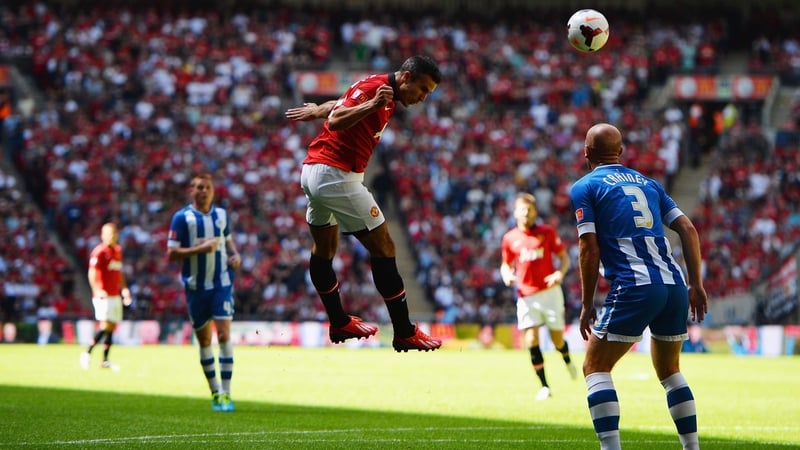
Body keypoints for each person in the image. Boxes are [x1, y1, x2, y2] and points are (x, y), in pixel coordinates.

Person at [285, 54, 442, 352]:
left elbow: (339, 105)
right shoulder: (376, 91)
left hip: (315, 171)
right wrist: (370, 106)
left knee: (324, 249)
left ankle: (339, 321)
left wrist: (318, 109)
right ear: (406, 77)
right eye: (423, 89)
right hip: (336, 175)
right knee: (385, 248)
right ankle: (404, 331)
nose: (423, 98)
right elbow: (336, 120)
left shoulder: (381, 91)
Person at [570, 123, 708, 450]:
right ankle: (692, 446)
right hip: (673, 283)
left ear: (586, 153)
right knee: (670, 371)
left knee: (595, 366)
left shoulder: (585, 187)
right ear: (620, 152)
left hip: (635, 285)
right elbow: (688, 229)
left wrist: (587, 303)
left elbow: (588, 247)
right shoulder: (650, 184)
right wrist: (696, 283)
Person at [167, 173, 241, 412]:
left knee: (224, 335)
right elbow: (172, 253)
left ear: (213, 190)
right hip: (196, 288)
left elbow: (229, 242)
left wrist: (235, 256)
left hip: (221, 284)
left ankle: (227, 393)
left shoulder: (222, 215)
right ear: (192, 190)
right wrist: (199, 249)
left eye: (207, 187)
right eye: (199, 187)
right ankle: (215, 392)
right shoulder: (182, 218)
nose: (203, 191)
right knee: (205, 340)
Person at [500, 193, 577, 401]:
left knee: (557, 340)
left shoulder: (547, 232)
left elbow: (563, 258)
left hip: (550, 293)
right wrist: (506, 275)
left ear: (535, 212)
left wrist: (559, 273)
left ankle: (567, 359)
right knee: (531, 339)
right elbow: (506, 264)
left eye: (529, 209)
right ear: (515, 212)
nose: (526, 213)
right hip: (526, 296)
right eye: (522, 209)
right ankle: (544, 386)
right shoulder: (509, 238)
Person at [80, 223, 132, 371]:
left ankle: (105, 360)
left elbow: (118, 272)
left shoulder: (118, 251)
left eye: (114, 233)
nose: (112, 236)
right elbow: (92, 272)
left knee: (112, 326)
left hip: (115, 294)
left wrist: (124, 289)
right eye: (109, 234)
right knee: (106, 325)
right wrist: (97, 289)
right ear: (103, 235)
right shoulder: (99, 252)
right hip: (103, 295)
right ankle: (87, 352)